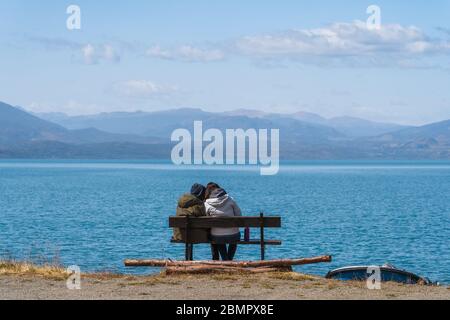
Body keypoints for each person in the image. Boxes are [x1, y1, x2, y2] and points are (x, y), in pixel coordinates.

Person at [204, 183, 242, 261]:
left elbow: (206, 220)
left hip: (217, 236)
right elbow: (239, 215)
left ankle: (226, 259)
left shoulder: (206, 204)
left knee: (218, 236)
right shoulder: (230, 199)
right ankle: (229, 259)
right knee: (234, 238)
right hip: (233, 235)